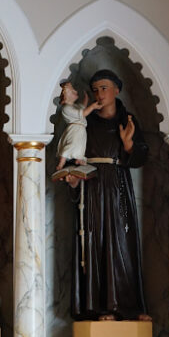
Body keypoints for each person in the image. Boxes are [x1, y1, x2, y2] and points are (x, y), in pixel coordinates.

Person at [57, 69, 149, 321]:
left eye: (105, 87)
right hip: (93, 186)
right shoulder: (88, 121)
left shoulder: (126, 119)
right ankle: (99, 308)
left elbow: (141, 155)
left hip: (118, 186)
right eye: (95, 89)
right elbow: (74, 147)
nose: (100, 93)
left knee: (122, 244)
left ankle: (127, 306)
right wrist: (73, 179)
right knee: (94, 244)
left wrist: (128, 144)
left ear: (117, 89)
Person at [55, 79, 99, 169]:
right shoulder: (66, 108)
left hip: (81, 129)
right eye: (72, 91)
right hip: (74, 130)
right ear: (67, 95)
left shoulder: (74, 106)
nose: (75, 91)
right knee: (71, 145)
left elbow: (83, 107)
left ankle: (78, 158)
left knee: (80, 145)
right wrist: (93, 106)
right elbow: (83, 113)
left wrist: (86, 98)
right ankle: (61, 163)